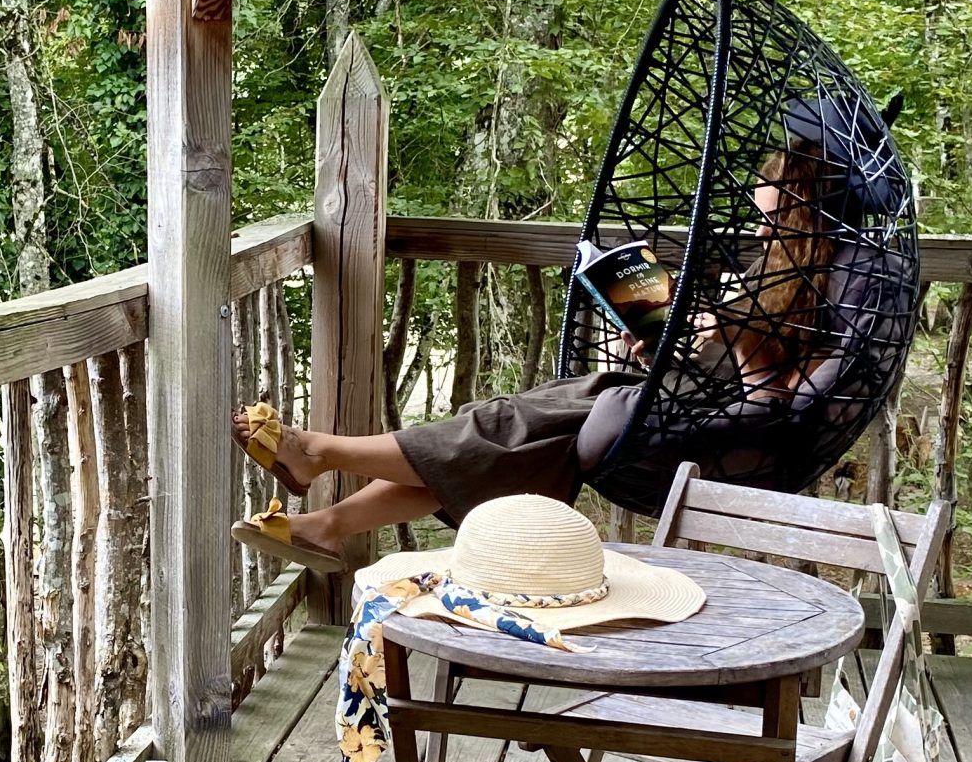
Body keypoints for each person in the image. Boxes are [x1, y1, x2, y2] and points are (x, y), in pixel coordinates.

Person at [233, 110, 847, 574]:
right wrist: (667, 342)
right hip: (672, 399)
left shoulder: (827, 294)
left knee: (501, 427)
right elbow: (736, 372)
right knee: (499, 440)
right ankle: (327, 523)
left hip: (705, 431)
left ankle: (317, 452)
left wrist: (735, 335)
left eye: (772, 220)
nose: (760, 230)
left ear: (805, 223)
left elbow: (774, 404)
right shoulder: (782, 281)